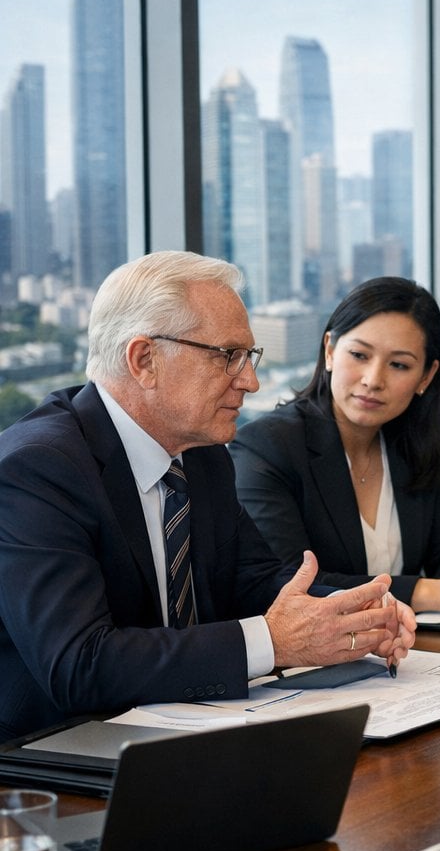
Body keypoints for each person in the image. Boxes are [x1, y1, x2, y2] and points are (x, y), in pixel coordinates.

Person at [0, 252, 413, 740]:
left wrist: (355, 612)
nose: (250, 381)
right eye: (227, 355)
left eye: (249, 356)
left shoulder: (201, 451)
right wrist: (272, 642)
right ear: (144, 360)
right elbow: (80, 665)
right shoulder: (38, 468)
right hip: (57, 750)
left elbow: (253, 579)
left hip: (187, 729)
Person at [232, 277, 440, 614]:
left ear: (426, 377)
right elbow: (286, 584)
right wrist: (428, 592)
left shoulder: (415, 445)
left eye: (399, 365)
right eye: (359, 355)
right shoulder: (267, 447)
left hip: (409, 642)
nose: (373, 380)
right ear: (330, 351)